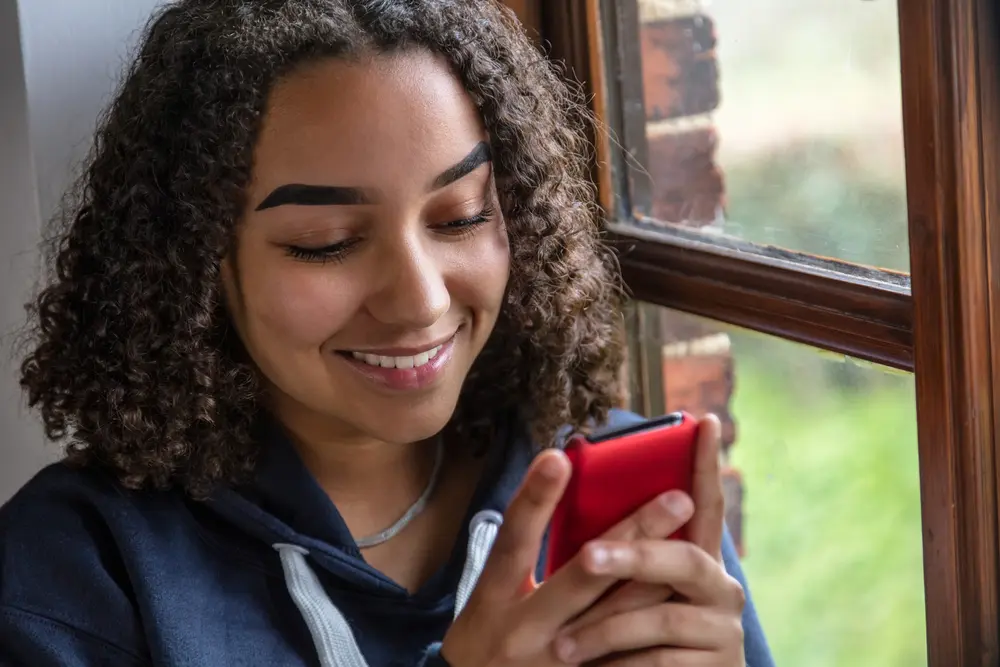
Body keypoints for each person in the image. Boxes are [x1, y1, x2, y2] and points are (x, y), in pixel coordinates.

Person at [0, 1, 774, 665]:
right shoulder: (72, 576)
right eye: (327, 239)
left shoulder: (625, 515)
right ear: (195, 261)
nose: (419, 300)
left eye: (462, 216)